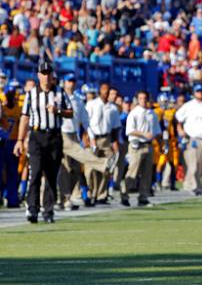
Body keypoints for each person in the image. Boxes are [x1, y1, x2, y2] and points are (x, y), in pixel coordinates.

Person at [13, 59, 73, 223]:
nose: (46, 77)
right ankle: (32, 209)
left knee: (51, 175)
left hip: (54, 136)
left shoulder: (60, 92)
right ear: (39, 75)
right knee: (36, 172)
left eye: (49, 73)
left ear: (52, 75)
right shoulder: (31, 94)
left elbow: (70, 113)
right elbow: (24, 118)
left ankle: (48, 211)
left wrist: (58, 111)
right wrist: (20, 140)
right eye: (43, 74)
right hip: (36, 136)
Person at [59, 73, 117, 211]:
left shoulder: (78, 101)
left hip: (74, 134)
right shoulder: (58, 97)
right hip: (61, 134)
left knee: (74, 169)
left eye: (73, 81)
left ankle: (65, 198)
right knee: (68, 165)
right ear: (64, 83)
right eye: (68, 81)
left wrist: (90, 137)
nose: (71, 84)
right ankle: (103, 164)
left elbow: (85, 121)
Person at [175, 85, 202, 196]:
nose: (200, 93)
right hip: (193, 138)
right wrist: (180, 130)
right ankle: (196, 188)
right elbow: (178, 119)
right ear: (194, 93)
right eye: (198, 91)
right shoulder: (188, 106)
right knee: (195, 166)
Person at [122, 90, 161, 207]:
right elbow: (129, 131)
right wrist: (143, 134)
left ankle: (143, 197)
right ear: (137, 100)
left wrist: (162, 143)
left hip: (148, 145)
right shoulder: (134, 113)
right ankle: (124, 194)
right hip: (136, 145)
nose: (143, 101)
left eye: (145, 98)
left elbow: (157, 131)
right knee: (133, 172)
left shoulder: (152, 114)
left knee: (147, 173)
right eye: (141, 98)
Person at [85, 83, 117, 206]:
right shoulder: (92, 104)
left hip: (106, 138)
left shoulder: (112, 108)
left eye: (108, 90)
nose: (106, 93)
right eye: (104, 90)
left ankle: (101, 195)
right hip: (93, 137)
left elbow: (115, 127)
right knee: (90, 169)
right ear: (99, 91)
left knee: (106, 169)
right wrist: (90, 138)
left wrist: (115, 143)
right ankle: (89, 193)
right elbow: (86, 122)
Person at [0, 82, 21, 208]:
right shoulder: (2, 108)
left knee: (13, 172)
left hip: (13, 142)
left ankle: (12, 198)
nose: (10, 97)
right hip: (3, 142)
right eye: (8, 94)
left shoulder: (19, 109)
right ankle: (3, 195)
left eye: (12, 94)